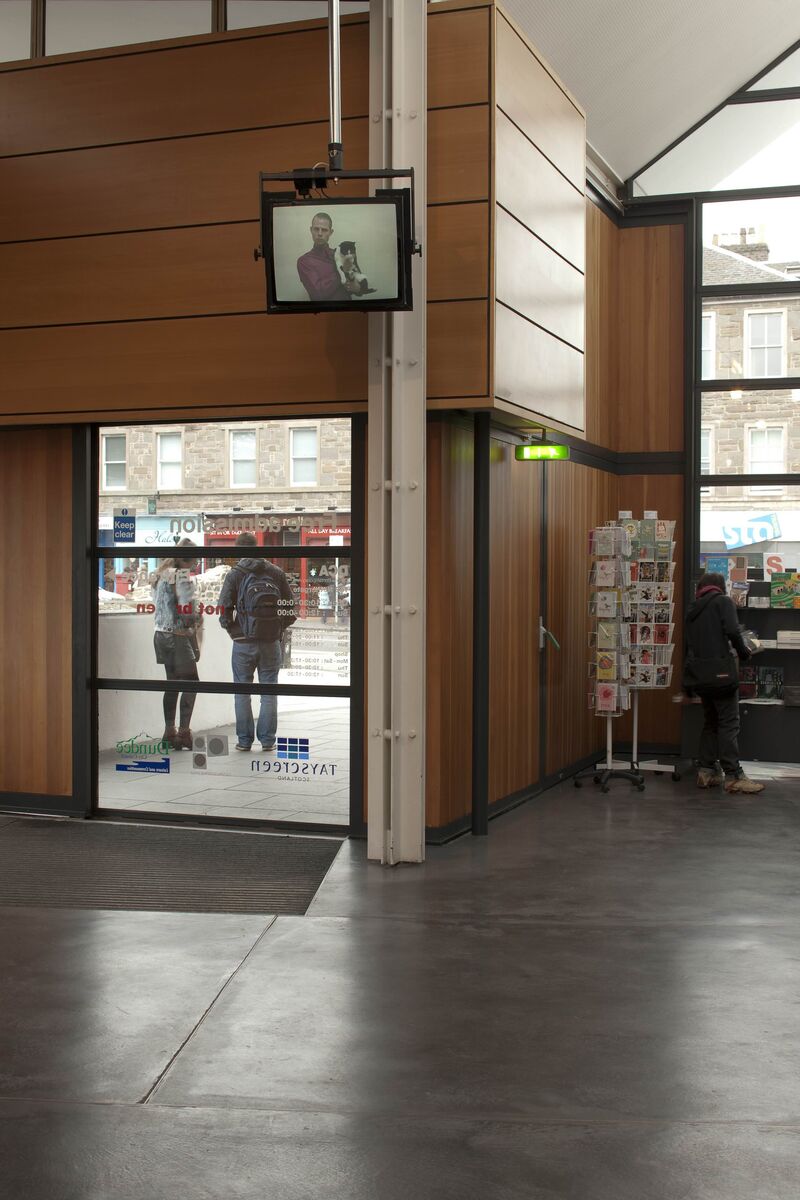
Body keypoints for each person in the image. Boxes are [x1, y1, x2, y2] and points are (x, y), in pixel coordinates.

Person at [683, 571, 764, 794]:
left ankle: (706, 771)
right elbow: (732, 631)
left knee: (711, 722)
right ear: (720, 587)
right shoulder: (723, 602)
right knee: (729, 723)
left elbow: (689, 645)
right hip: (722, 675)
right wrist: (745, 652)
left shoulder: (692, 609)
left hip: (700, 675)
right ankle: (734, 775)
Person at [218, 533, 295, 752]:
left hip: (243, 642)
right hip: (271, 642)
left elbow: (224, 609)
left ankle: (244, 741)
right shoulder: (275, 572)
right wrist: (277, 628)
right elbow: (290, 606)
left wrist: (234, 631)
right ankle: (268, 740)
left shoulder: (235, 575)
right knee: (269, 690)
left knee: (242, 691)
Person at [150, 539, 202, 751]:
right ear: (187, 559)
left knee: (172, 683)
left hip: (160, 635)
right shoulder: (181, 576)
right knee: (192, 683)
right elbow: (186, 611)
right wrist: (197, 616)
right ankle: (184, 733)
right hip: (178, 636)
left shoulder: (160, 576)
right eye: (195, 558)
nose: (196, 562)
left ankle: (169, 732)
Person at [296, 212, 361, 302]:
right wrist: (342, 271)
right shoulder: (304, 261)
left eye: (324, 230)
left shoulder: (341, 254)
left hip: (348, 311)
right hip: (322, 314)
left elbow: (359, 283)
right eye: (316, 229)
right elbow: (318, 295)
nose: (319, 233)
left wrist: (357, 287)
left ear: (331, 232)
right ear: (311, 230)